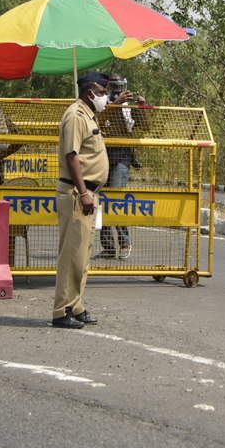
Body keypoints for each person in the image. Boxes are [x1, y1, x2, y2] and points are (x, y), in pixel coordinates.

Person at [52, 71, 111, 329]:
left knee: (83, 254)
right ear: (90, 91)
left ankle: (76, 305)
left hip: (88, 193)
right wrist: (84, 192)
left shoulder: (89, 115)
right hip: (78, 193)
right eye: (102, 91)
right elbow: (71, 156)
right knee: (71, 254)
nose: (105, 96)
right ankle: (61, 310)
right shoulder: (75, 116)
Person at [98, 74, 145, 260]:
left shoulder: (129, 107)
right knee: (101, 201)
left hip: (122, 158)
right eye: (114, 85)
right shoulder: (102, 104)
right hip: (102, 157)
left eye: (121, 85)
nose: (117, 88)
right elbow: (98, 121)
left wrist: (142, 107)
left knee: (116, 200)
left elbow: (145, 126)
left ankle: (125, 242)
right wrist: (115, 103)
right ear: (108, 87)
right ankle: (108, 246)